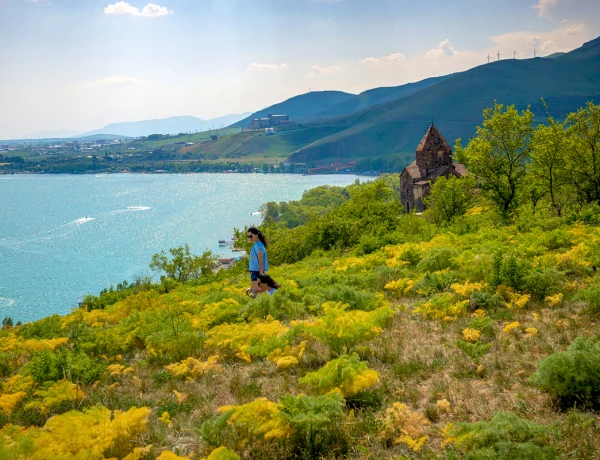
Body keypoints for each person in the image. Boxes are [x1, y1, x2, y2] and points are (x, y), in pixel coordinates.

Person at [246, 226, 268, 298]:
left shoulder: (258, 245)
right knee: (255, 292)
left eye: (251, 236)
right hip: (255, 271)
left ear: (256, 235)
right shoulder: (258, 245)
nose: (249, 238)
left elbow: (261, 261)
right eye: (248, 237)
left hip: (256, 271)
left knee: (255, 294)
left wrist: (261, 274)